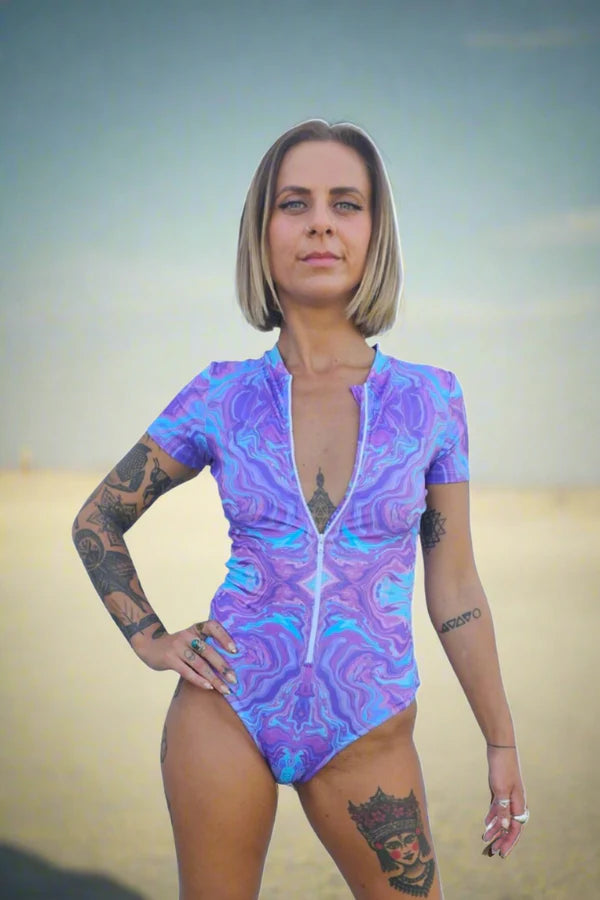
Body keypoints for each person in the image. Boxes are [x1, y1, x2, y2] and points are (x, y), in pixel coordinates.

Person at [73, 119, 528, 899]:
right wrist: (150, 638)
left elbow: (455, 585)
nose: (320, 222)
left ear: (375, 232)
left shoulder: (432, 401)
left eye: (345, 203)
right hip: (225, 711)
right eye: (294, 203)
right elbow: (97, 519)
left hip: (368, 728)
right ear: (264, 232)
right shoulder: (220, 394)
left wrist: (501, 741)